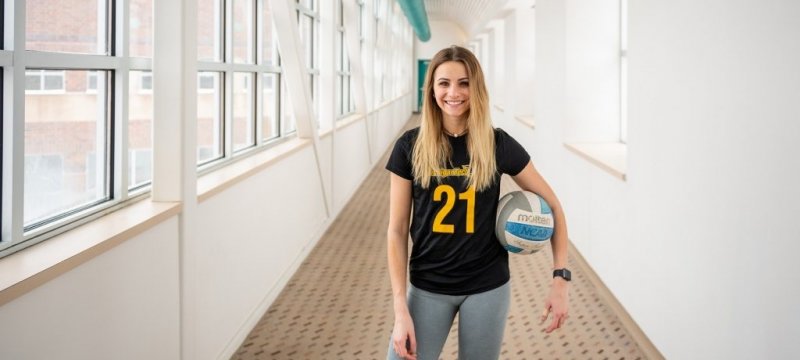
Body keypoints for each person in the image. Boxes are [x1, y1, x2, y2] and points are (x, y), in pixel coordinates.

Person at [384, 45, 571, 360]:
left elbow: (553, 206)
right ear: (431, 89)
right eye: (444, 83)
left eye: (464, 83)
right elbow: (397, 230)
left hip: (487, 287)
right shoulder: (409, 147)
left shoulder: (497, 144)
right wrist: (400, 307)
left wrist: (560, 279)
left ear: (477, 88)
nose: (453, 92)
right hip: (428, 286)